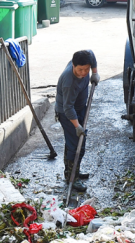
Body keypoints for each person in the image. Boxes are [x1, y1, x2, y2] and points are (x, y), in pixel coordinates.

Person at [55, 50, 100, 192]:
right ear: (73, 65)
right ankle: (72, 178)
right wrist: (77, 126)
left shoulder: (86, 62)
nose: (83, 73)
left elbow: (91, 54)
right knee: (75, 145)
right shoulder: (69, 81)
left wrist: (94, 72)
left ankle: (74, 171)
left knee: (76, 143)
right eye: (80, 69)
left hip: (80, 108)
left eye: (86, 69)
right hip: (68, 114)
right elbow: (68, 108)